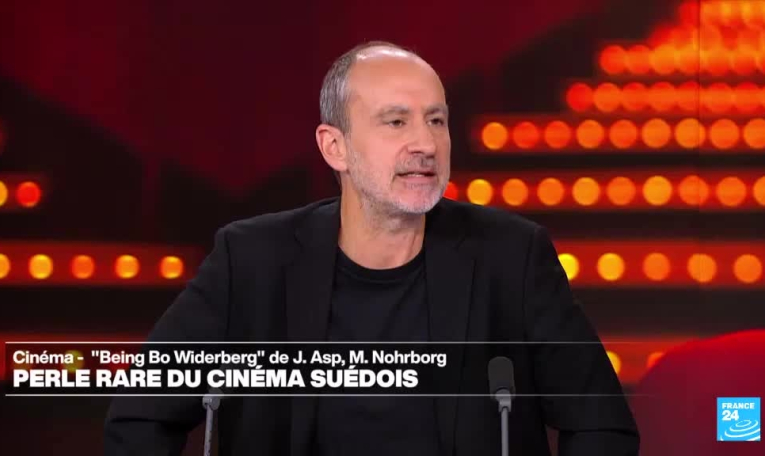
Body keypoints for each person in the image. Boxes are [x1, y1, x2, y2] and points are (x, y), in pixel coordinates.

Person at [104, 41, 639, 455]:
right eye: (396, 121)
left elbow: (601, 426)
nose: (425, 144)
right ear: (334, 147)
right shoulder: (251, 261)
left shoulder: (512, 256)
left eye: (436, 120)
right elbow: (139, 416)